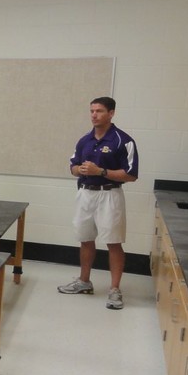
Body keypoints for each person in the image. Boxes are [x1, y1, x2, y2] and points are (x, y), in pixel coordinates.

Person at [58, 96, 139, 310]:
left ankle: (114, 289)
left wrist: (100, 171)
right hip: (86, 194)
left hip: (110, 195)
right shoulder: (84, 140)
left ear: (111, 113)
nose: (94, 115)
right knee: (85, 238)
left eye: (99, 111)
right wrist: (80, 170)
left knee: (113, 242)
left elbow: (131, 175)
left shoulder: (123, 141)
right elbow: (73, 166)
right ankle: (84, 281)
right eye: (92, 111)